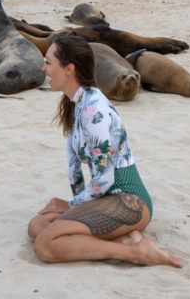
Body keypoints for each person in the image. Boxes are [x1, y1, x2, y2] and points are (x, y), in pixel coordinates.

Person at [28, 35, 182, 267]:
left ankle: (138, 253)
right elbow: (74, 170)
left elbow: (106, 178)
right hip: (106, 197)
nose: (44, 68)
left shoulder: (93, 111)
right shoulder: (75, 104)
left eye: (48, 62)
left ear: (69, 69)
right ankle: (126, 240)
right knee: (37, 227)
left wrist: (72, 207)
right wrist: (77, 204)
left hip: (128, 200)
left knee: (46, 245)